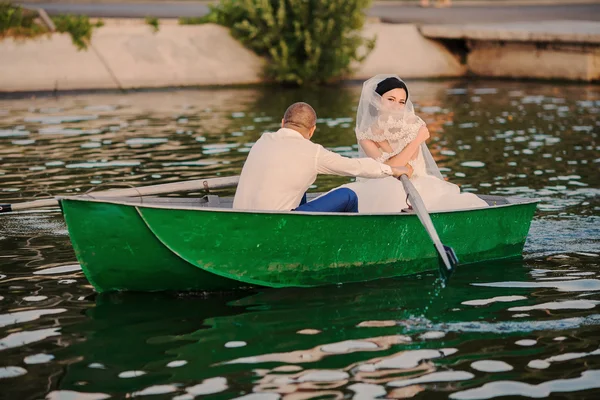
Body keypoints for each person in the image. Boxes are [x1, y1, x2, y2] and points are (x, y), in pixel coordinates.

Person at [338, 74, 488, 213]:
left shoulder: (412, 124)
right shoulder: (366, 135)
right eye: (391, 99)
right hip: (381, 187)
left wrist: (407, 150)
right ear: (377, 100)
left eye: (401, 102)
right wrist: (417, 140)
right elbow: (390, 169)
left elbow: (405, 167)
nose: (396, 106)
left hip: (419, 185)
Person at [233, 102, 411, 213]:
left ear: (282, 123)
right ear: (312, 130)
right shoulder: (313, 152)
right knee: (348, 196)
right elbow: (355, 166)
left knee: (300, 186)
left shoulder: (262, 140)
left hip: (243, 218)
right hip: (278, 225)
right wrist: (393, 169)